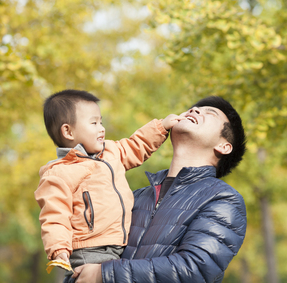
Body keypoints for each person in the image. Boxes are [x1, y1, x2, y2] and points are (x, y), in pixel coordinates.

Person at [71, 96, 247, 283]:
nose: (194, 110)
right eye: (193, 108)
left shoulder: (223, 199)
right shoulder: (136, 197)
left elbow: (194, 270)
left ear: (224, 146)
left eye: (209, 112)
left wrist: (105, 274)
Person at [34, 89, 185, 281]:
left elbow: (135, 146)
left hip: (123, 245)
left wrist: (161, 127)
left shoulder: (110, 152)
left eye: (101, 122)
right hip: (90, 250)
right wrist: (58, 249)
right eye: (94, 123)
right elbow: (55, 216)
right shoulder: (59, 173)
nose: (101, 128)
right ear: (68, 131)